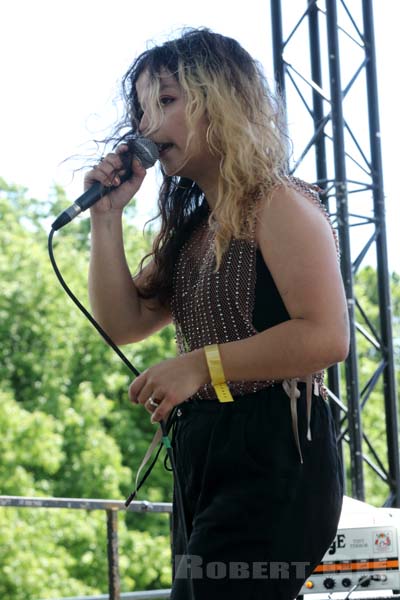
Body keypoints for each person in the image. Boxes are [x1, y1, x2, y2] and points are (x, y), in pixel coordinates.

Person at [86, 27, 348, 600]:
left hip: (276, 448)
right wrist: (105, 219)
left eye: (168, 101)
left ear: (221, 101)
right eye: (141, 108)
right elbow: (123, 323)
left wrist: (200, 365)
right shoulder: (194, 228)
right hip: (203, 453)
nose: (146, 125)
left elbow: (327, 335)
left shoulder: (280, 204)